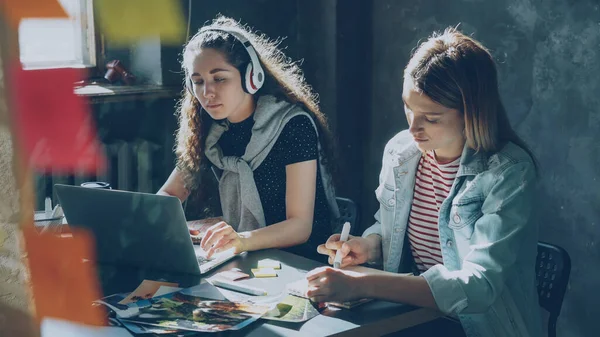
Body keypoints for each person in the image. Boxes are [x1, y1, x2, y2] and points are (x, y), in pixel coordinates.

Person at [307, 28, 543, 337]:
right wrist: (366, 246)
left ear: (472, 113)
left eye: (431, 118)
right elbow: (391, 228)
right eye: (408, 107)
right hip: (411, 318)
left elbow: (479, 286)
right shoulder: (401, 153)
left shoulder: (509, 172)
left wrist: (361, 284)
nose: (414, 127)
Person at [157, 15, 339, 262]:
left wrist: (241, 240)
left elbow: (300, 226)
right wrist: (157, 221)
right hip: (242, 257)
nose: (207, 92)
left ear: (251, 77)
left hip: (301, 261)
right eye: (198, 81)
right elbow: (169, 196)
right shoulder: (209, 130)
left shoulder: (293, 125)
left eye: (219, 78)